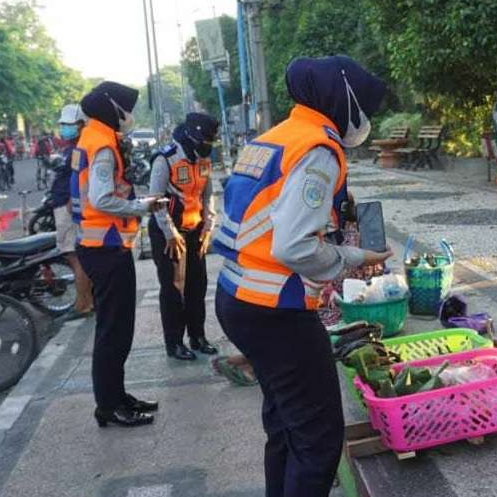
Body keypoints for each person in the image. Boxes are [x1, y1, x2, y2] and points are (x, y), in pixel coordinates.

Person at [214, 55, 391, 497]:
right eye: (364, 108)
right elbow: (292, 246)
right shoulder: (317, 150)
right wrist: (351, 256)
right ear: (344, 102)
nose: (365, 120)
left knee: (285, 425)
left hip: (238, 296)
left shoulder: (275, 138)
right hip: (276, 308)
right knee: (318, 441)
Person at [71, 81, 162, 428]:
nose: (131, 116)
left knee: (116, 328)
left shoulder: (94, 137)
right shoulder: (102, 145)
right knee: (114, 330)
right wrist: (141, 206)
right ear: (113, 109)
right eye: (127, 108)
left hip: (103, 246)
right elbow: (101, 198)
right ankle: (109, 405)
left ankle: (116, 396)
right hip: (104, 247)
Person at [148, 113, 220, 361]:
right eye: (204, 141)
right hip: (168, 232)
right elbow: (155, 200)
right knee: (174, 288)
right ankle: (175, 343)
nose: (206, 147)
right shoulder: (165, 159)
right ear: (190, 136)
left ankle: (197, 337)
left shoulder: (204, 160)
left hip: (195, 230)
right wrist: (170, 233)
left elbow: (207, 195)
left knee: (197, 285)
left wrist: (209, 226)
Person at [51, 104, 93, 319]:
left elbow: (77, 178)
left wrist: (70, 201)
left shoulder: (78, 149)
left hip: (68, 208)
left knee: (75, 258)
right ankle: (87, 302)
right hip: (66, 205)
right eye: (62, 125)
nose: (63, 128)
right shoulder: (75, 148)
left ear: (79, 125)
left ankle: (83, 305)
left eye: (67, 125)